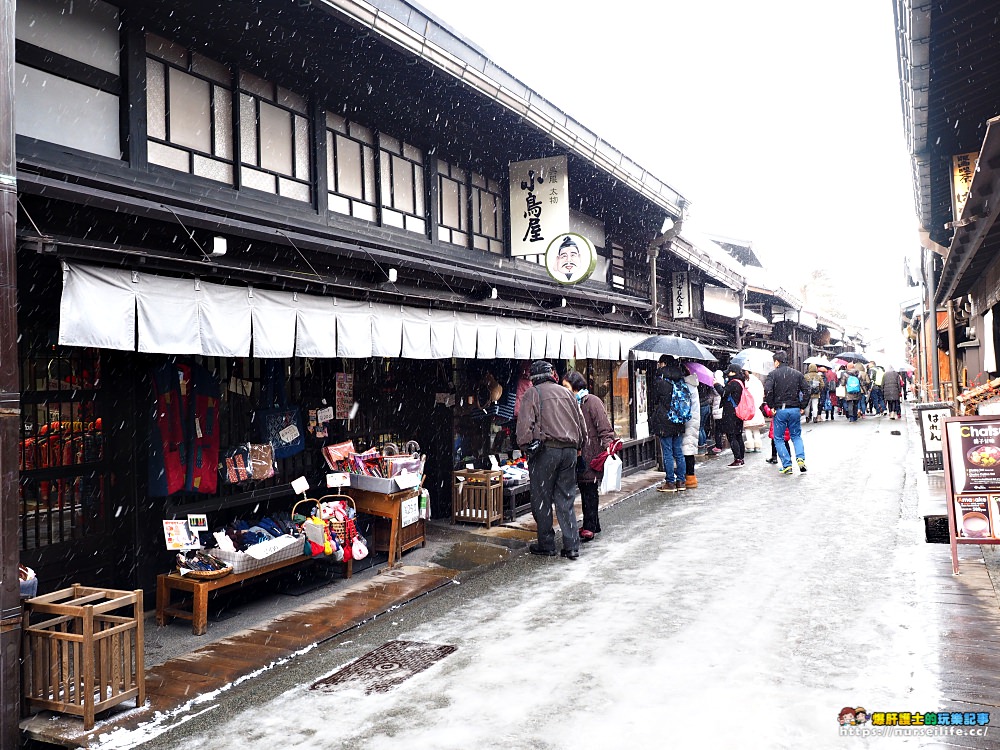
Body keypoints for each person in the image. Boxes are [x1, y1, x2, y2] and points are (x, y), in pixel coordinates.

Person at [516, 360, 587, 560]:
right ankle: (571, 546)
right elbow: (581, 425)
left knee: (542, 498)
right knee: (565, 498)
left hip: (546, 451)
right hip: (570, 451)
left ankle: (546, 544)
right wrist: (579, 446)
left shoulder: (533, 393)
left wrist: (526, 445)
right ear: (551, 375)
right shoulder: (567, 393)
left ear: (534, 377)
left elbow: (523, 428)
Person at [562, 370, 614, 542]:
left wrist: (608, 447)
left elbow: (605, 428)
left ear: (576, 387)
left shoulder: (591, 401)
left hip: (591, 453)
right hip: (577, 454)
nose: (564, 390)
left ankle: (590, 527)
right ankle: (592, 524)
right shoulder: (570, 403)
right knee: (586, 490)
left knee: (590, 490)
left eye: (566, 386)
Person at [649, 355, 690, 492]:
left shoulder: (660, 381)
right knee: (678, 451)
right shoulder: (680, 380)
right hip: (678, 419)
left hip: (664, 420)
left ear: (664, 363)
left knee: (667, 452)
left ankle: (670, 483)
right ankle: (681, 481)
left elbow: (654, 400)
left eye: (660, 363)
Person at [763, 351, 809, 475]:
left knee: (779, 438)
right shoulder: (797, 374)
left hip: (780, 410)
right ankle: (800, 458)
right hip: (795, 409)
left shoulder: (773, 375)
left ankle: (787, 465)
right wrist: (802, 405)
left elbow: (767, 390)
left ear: (777, 362)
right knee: (796, 436)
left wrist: (771, 405)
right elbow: (807, 390)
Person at [714, 363, 747, 467]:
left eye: (729, 371)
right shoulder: (741, 382)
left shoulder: (733, 383)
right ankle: (741, 458)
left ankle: (738, 459)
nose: (728, 373)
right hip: (738, 412)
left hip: (731, 413)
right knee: (738, 435)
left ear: (733, 372)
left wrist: (717, 384)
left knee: (731, 435)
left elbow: (723, 393)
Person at [681, 364, 702, 488]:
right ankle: (690, 477)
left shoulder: (686, 386)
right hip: (694, 418)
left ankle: (689, 477)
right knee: (689, 448)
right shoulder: (693, 384)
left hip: (688, 419)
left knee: (687, 449)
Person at [742, 368, 766, 453]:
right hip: (756, 408)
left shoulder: (745, 382)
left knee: (748, 428)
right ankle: (758, 445)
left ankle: (750, 445)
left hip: (747, 408)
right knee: (756, 428)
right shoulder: (758, 382)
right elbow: (762, 394)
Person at [710, 370, 725, 454]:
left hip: (718, 410)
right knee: (720, 428)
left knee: (718, 429)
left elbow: (713, 396)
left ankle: (718, 446)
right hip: (722, 410)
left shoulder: (716, 385)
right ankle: (720, 444)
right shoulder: (724, 383)